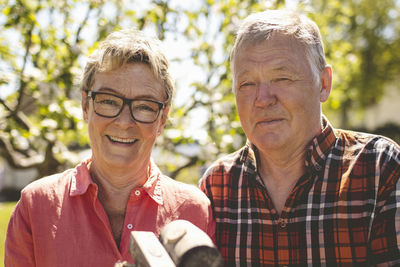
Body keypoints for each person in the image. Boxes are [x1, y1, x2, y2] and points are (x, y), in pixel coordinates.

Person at [199, 9, 400, 266]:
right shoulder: (217, 186)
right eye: (247, 84)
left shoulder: (378, 168)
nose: (262, 99)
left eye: (282, 78)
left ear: (324, 84)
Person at [5, 29, 215, 266]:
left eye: (144, 106)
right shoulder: (36, 206)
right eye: (108, 101)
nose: (125, 122)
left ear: (162, 119)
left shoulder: (196, 211)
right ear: (86, 106)